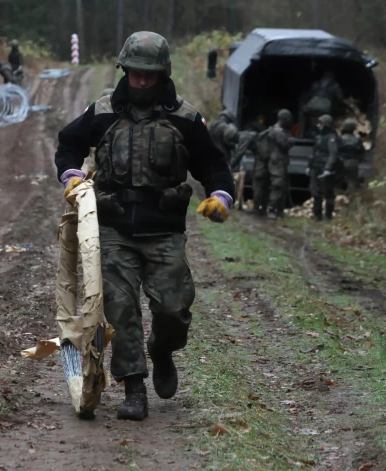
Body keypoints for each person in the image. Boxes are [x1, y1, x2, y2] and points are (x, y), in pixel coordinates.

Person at [55, 31, 235, 421]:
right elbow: (68, 142)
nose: (140, 81)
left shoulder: (184, 118)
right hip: (114, 228)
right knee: (121, 310)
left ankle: (163, 350)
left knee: (174, 310)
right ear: (125, 70)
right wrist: (71, 176)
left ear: (162, 74)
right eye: (134, 73)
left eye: (148, 74)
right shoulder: (103, 111)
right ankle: (134, 388)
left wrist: (220, 196)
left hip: (164, 231)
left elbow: (212, 163)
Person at [252, 109, 294, 219]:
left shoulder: (272, 130)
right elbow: (284, 145)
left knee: (272, 184)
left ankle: (264, 207)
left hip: (273, 161)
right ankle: (271, 208)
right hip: (277, 162)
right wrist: (291, 141)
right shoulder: (278, 131)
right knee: (278, 185)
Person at [309, 114, 339, 221]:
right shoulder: (318, 137)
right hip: (316, 168)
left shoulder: (331, 138)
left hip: (325, 170)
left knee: (328, 193)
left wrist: (328, 168)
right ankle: (317, 215)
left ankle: (328, 216)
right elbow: (314, 153)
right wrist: (310, 166)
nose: (318, 126)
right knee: (315, 192)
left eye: (320, 124)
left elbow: (333, 154)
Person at [301, 70, 345, 137]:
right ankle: (324, 134)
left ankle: (303, 132)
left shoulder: (316, 83)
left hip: (312, 105)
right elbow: (340, 98)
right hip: (325, 108)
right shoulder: (335, 85)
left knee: (304, 111)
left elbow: (309, 94)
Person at [338, 118, 365, 193]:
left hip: (341, 162)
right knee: (352, 182)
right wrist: (358, 160)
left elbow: (334, 151)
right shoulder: (357, 139)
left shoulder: (340, 139)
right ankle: (350, 199)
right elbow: (361, 152)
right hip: (353, 162)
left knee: (338, 183)